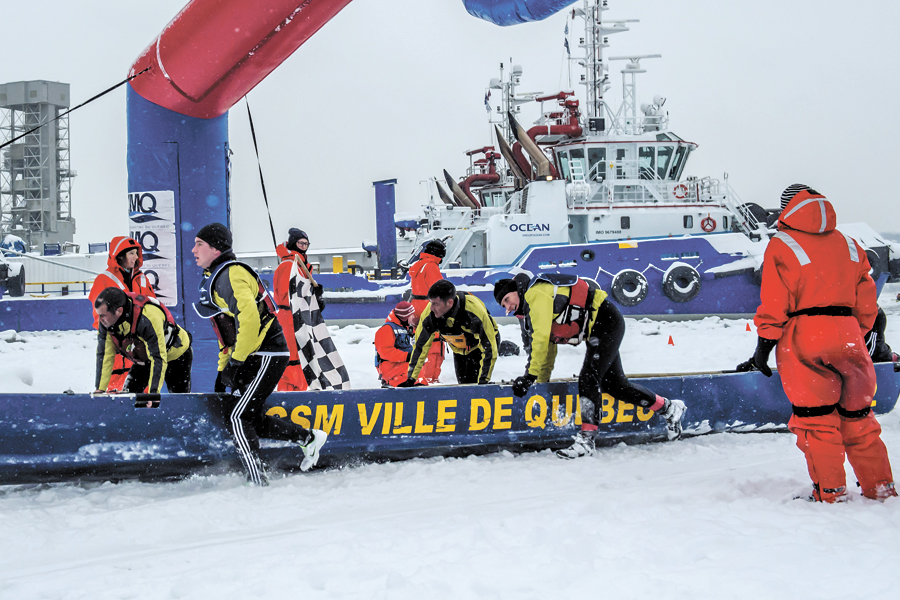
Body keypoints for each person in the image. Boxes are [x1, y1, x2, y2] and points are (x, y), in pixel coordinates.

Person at [738, 184, 896, 503]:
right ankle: (880, 490)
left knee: (816, 422)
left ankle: (831, 493)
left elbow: (773, 303)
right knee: (860, 420)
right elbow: (868, 303)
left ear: (786, 210)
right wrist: (853, 333)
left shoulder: (781, 244)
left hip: (805, 337)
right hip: (850, 335)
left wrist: (763, 347)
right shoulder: (850, 244)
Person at [494, 273, 687, 459]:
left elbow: (541, 339)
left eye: (507, 300)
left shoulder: (534, 293)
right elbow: (549, 349)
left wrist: (529, 376)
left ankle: (586, 442)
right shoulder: (531, 304)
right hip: (601, 328)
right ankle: (669, 409)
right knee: (615, 385)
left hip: (605, 322)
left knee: (589, 378)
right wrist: (540, 382)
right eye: (504, 306)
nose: (508, 308)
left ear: (516, 291)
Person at [191, 223, 327, 485]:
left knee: (237, 417)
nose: (193, 250)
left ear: (215, 248)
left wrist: (237, 361)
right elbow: (225, 331)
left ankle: (258, 481)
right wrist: (223, 369)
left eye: (199, 244)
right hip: (254, 353)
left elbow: (250, 322)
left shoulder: (230, 275)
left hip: (267, 352)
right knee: (250, 417)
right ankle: (308, 438)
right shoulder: (214, 277)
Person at [88, 236, 157, 392]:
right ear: (119, 255)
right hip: (116, 345)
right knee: (115, 393)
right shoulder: (103, 280)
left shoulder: (143, 280)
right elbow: (99, 317)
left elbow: (153, 309)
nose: (136, 257)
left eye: (136, 253)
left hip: (141, 345)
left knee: (142, 394)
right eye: (131, 253)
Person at [93, 287, 192, 394]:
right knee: (129, 398)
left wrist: (153, 393)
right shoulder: (106, 322)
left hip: (176, 355)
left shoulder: (148, 319)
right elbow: (105, 355)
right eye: (99, 315)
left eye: (103, 315)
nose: (100, 319)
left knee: (179, 401)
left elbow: (158, 357)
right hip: (144, 359)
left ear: (119, 311)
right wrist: (100, 389)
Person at [404, 280, 499, 386]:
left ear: (450, 303)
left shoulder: (473, 312)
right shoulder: (430, 315)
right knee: (463, 384)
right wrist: (411, 379)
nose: (431, 308)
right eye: (430, 303)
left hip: (482, 344)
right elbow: (420, 347)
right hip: (459, 346)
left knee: (471, 384)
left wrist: (483, 381)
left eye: (435, 304)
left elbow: (489, 347)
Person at [272, 231, 310, 392]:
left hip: (296, 317)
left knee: (297, 361)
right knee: (293, 362)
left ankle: (291, 397)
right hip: (290, 320)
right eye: (300, 243)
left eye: (306, 244)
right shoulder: (289, 265)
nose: (303, 247)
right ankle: (291, 398)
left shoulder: (298, 264)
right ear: (293, 243)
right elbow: (286, 296)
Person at [408, 239, 446, 382]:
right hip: (428, 308)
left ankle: (418, 374)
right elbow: (440, 290)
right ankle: (430, 377)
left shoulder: (417, 265)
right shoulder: (431, 266)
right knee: (434, 343)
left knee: (419, 342)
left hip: (415, 308)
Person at [374, 301, 418, 387]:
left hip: (402, 367)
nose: (414, 317)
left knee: (418, 373)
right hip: (392, 368)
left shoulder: (407, 328)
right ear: (404, 317)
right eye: (411, 315)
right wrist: (408, 357)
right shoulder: (386, 330)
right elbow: (386, 352)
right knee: (413, 374)